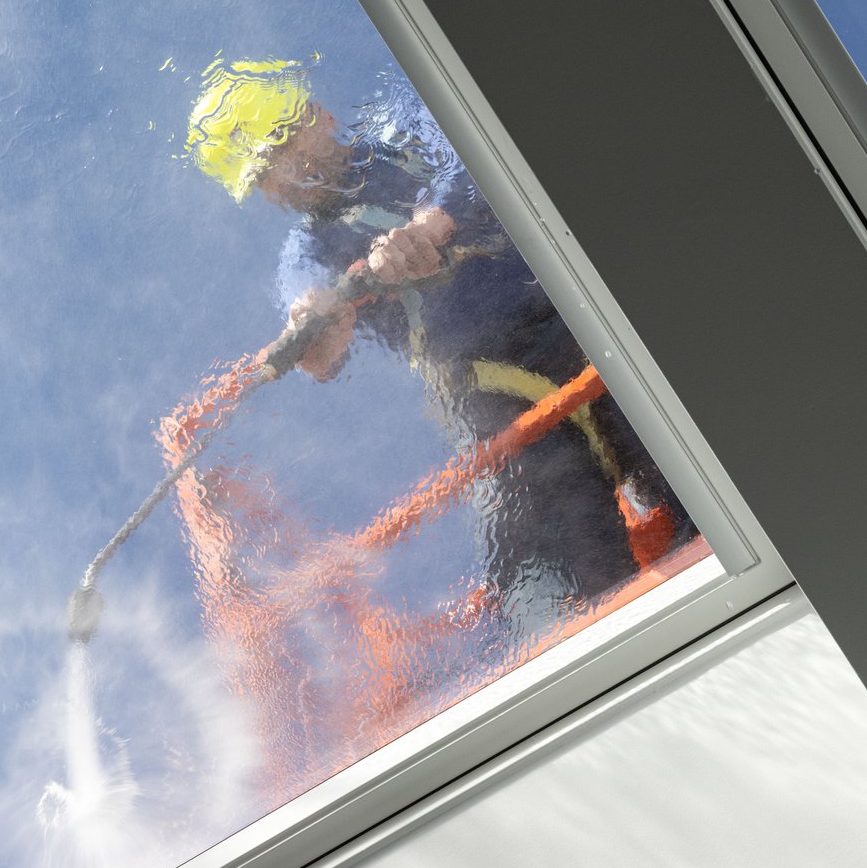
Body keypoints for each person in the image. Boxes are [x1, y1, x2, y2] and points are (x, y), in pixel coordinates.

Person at [185, 58, 691, 622]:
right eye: (260, 178)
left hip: (587, 328)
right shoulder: (305, 254)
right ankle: (560, 631)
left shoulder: (400, 125)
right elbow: (315, 332)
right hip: (493, 398)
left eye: (279, 148)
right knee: (550, 578)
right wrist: (317, 334)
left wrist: (433, 221)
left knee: (709, 475)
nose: (280, 179)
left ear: (318, 115)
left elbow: (475, 148)